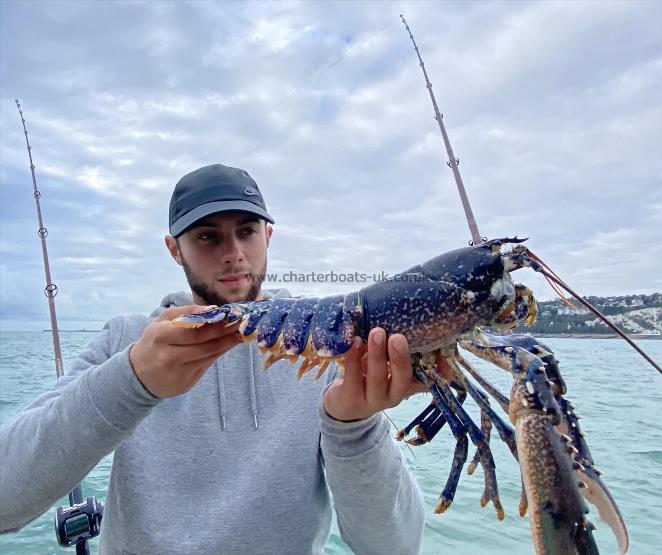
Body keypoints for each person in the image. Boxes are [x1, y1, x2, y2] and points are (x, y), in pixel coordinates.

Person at [0, 164, 432, 554]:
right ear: (174, 249)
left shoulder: (324, 348)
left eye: (247, 231)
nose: (233, 253)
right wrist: (131, 381)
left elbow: (394, 546)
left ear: (268, 236)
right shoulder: (126, 340)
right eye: (208, 236)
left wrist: (353, 430)